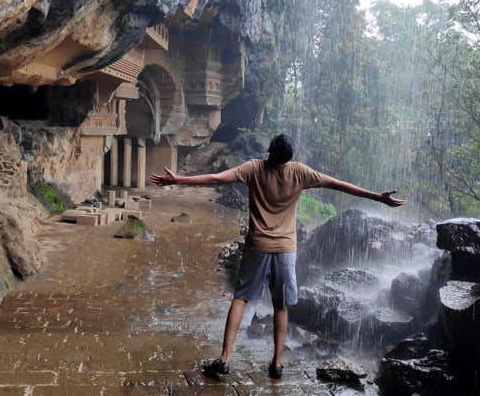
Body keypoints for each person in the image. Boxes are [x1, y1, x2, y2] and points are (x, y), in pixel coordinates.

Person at [149, 133, 404, 379]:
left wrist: (179, 180)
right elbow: (340, 185)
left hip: (257, 245)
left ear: (270, 151)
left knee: (240, 299)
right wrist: (377, 197)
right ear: (288, 157)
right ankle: (277, 364)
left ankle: (224, 360)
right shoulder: (300, 172)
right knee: (280, 305)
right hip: (285, 249)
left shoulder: (253, 169)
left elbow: (217, 178)